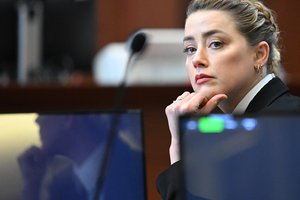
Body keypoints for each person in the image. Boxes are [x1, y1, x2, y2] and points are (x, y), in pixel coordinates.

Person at [156, 0, 300, 199]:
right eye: (190, 49)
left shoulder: (288, 122)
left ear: (259, 55)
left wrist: (180, 145)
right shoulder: (240, 128)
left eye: (216, 44)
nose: (197, 59)